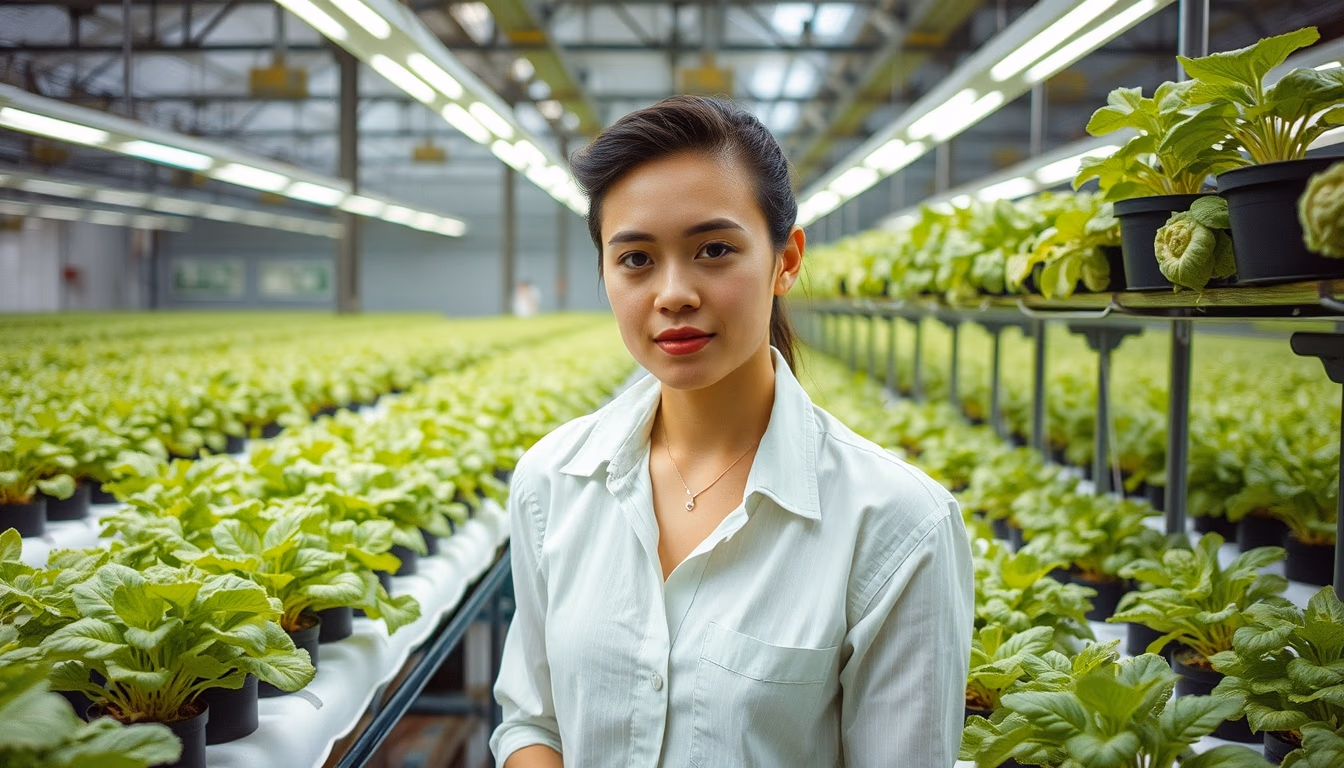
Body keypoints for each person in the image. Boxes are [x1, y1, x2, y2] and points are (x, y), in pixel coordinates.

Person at [490, 95, 974, 768]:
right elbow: (532, 721)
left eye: (714, 249)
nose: (673, 293)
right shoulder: (553, 481)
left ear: (786, 260)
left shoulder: (897, 525)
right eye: (635, 259)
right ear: (603, 271)